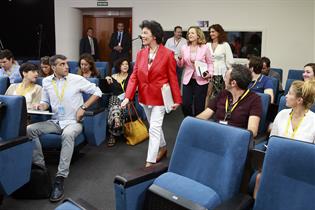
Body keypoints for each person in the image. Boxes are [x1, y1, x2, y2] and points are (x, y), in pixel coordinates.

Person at [27, 54, 102, 202]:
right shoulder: (47, 81)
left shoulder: (76, 79)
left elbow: (98, 92)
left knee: (67, 134)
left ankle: (60, 178)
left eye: (67, 64)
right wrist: (41, 106)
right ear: (53, 67)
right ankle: (41, 168)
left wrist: (83, 107)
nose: (66, 66)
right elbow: (45, 101)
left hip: (74, 122)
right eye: (62, 64)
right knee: (29, 129)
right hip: (55, 122)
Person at [121, 20, 182, 167]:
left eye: (145, 33)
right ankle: (163, 147)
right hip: (144, 96)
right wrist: (127, 97)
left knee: (154, 128)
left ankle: (150, 161)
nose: (142, 35)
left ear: (154, 35)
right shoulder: (141, 53)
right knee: (153, 126)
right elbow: (134, 76)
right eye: (142, 33)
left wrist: (177, 100)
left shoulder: (168, 54)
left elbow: (173, 78)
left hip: (160, 98)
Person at [254, 79, 315, 199]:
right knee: (259, 177)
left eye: (290, 93)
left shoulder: (313, 121)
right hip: (279, 161)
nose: (285, 96)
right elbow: (272, 142)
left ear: (299, 100)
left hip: (302, 166)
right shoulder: (282, 114)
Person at [197, 64, 262, 138]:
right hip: (216, 134)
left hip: (235, 139)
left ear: (233, 83)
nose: (224, 79)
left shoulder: (254, 99)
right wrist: (192, 123)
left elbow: (252, 131)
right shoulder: (222, 94)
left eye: (225, 77)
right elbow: (204, 115)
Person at [177, 26, 213, 117]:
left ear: (198, 35)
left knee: (199, 106)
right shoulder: (184, 47)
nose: (190, 35)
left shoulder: (205, 48)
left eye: (192, 33)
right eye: (189, 33)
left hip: (201, 79)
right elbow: (180, 65)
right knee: (185, 104)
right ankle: (189, 119)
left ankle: (197, 123)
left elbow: (210, 63)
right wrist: (180, 59)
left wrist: (210, 73)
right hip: (188, 79)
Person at [105, 58, 130, 147]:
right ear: (119, 66)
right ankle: (117, 121)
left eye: (126, 64)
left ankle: (112, 134)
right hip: (115, 99)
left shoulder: (131, 77)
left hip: (127, 100)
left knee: (115, 103)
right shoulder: (113, 77)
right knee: (114, 99)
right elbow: (107, 89)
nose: (125, 66)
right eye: (123, 64)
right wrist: (106, 79)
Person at [206, 24, 234, 100]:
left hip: (221, 74)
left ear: (219, 32)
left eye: (213, 31)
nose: (211, 33)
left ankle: (220, 111)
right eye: (210, 32)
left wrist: (229, 76)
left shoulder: (225, 45)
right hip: (209, 74)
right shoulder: (207, 45)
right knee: (207, 94)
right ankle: (205, 111)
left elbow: (230, 61)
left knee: (220, 96)